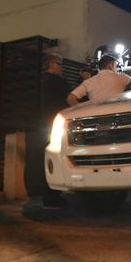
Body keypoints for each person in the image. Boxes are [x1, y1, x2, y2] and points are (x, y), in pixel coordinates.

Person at [38, 53, 71, 208]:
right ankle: (52, 197)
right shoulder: (57, 82)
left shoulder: (40, 82)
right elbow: (71, 98)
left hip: (42, 124)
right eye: (59, 63)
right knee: (55, 159)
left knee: (45, 159)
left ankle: (49, 196)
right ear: (51, 64)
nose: (62, 67)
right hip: (56, 125)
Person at [67, 54, 131, 105]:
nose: (118, 69)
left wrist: (83, 111)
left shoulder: (89, 82)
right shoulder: (123, 77)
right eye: (116, 65)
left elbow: (70, 98)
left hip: (96, 116)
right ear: (110, 65)